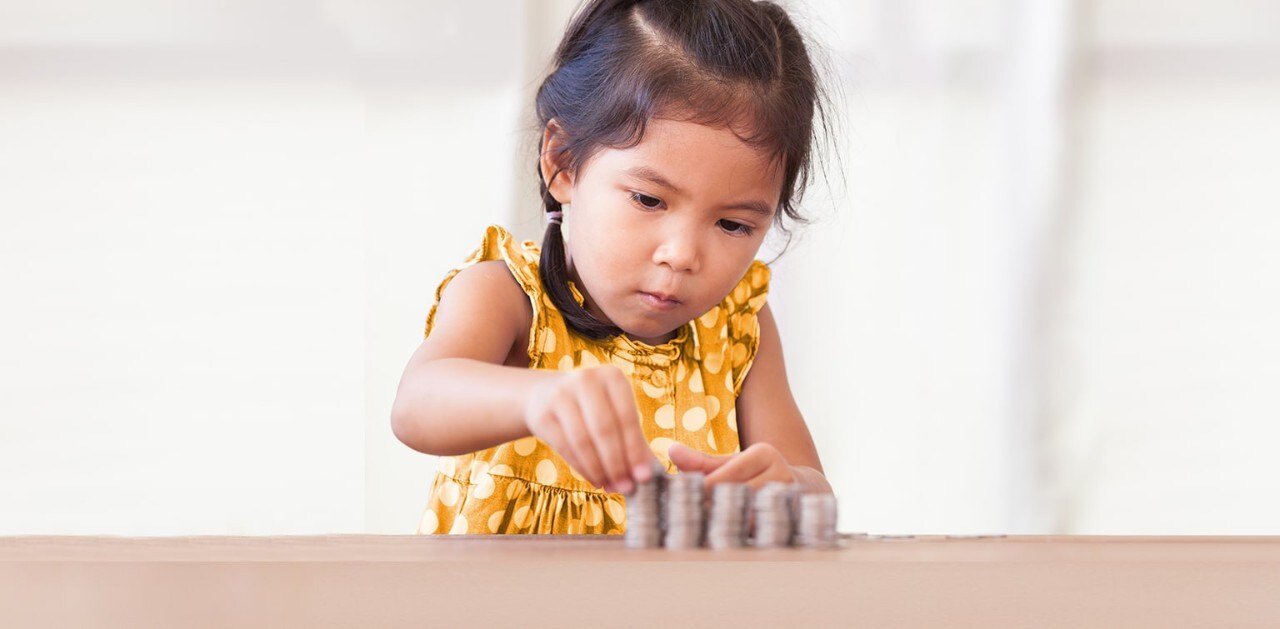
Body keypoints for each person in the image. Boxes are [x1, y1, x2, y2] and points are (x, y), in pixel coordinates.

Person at [391, 0, 834, 535]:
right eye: (649, 200)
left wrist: (788, 487)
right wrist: (537, 398)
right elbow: (417, 406)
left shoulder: (739, 331)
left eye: (733, 225)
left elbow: (815, 487)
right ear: (562, 163)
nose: (682, 254)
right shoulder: (508, 297)